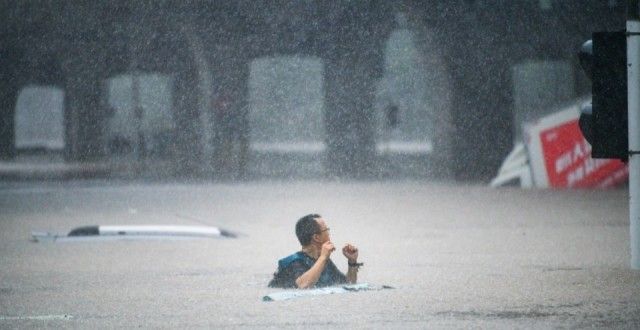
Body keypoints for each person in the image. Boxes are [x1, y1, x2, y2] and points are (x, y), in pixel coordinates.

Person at [268, 214, 362, 289]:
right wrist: (323, 257)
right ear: (316, 237)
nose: (329, 234)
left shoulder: (323, 261)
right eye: (327, 230)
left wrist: (352, 263)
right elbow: (303, 285)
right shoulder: (293, 263)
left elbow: (348, 284)